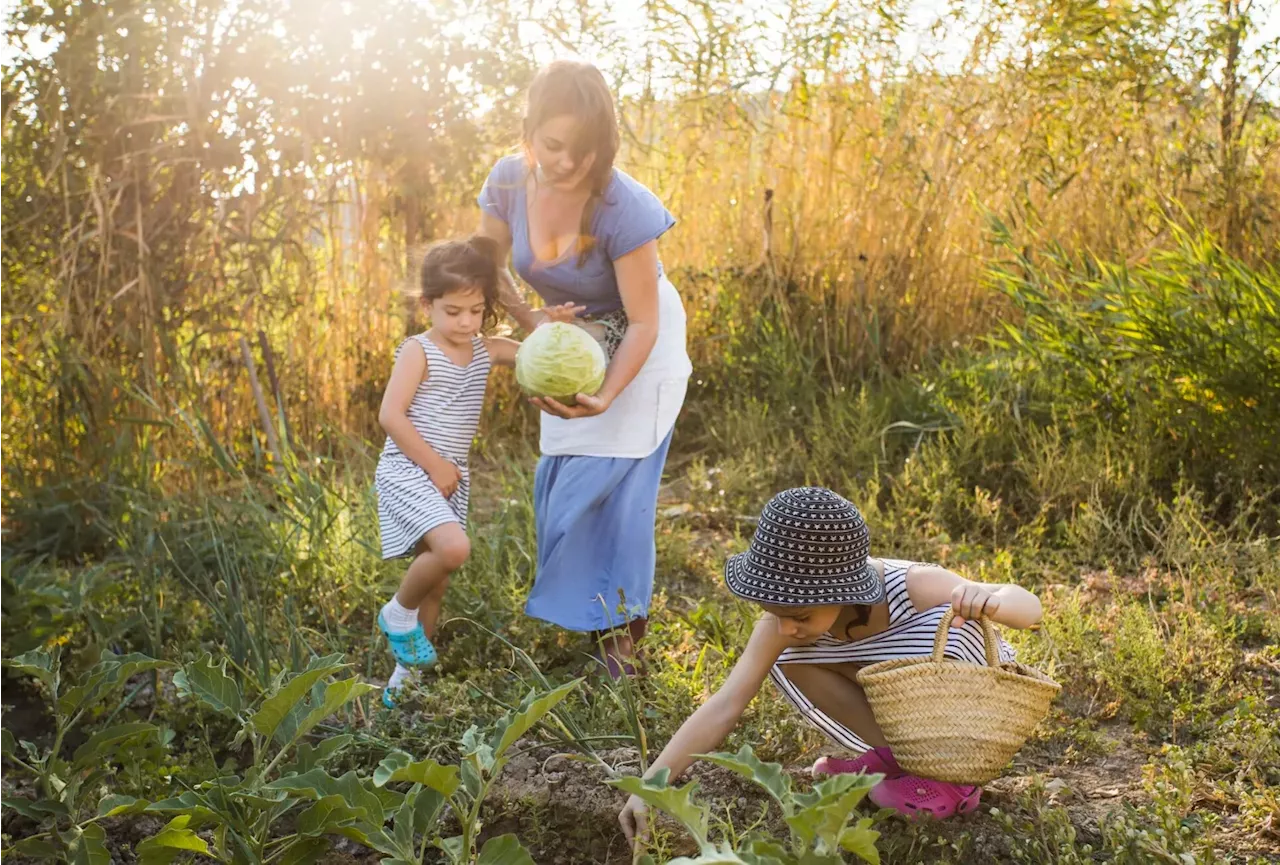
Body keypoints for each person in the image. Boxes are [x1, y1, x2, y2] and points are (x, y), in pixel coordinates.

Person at [618, 486, 1045, 841]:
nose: (785, 625)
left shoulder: (915, 586)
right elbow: (726, 704)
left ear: (844, 589)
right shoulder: (781, 626)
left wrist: (991, 600)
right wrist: (650, 786)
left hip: (964, 713)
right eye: (775, 611)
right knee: (792, 657)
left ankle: (955, 779)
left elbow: (1031, 608)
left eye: (800, 615)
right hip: (904, 714)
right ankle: (902, 757)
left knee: (953, 629)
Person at [475, 59, 692, 677]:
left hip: (639, 349)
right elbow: (488, 267)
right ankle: (596, 615)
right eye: (553, 144)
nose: (566, 161)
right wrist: (531, 324)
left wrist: (608, 393)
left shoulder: (624, 206)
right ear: (530, 130)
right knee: (567, 488)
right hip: (572, 340)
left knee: (617, 491)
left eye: (584, 148)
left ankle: (624, 642)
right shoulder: (509, 181)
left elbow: (644, 322)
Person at [373, 235, 574, 707]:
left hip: (448, 477)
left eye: (475, 310)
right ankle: (396, 613)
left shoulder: (485, 349)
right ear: (428, 305)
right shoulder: (418, 351)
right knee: (454, 548)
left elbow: (534, 349)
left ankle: (404, 686)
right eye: (453, 311)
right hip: (411, 467)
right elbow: (391, 416)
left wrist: (555, 327)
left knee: (438, 583)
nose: (465, 322)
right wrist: (435, 464)